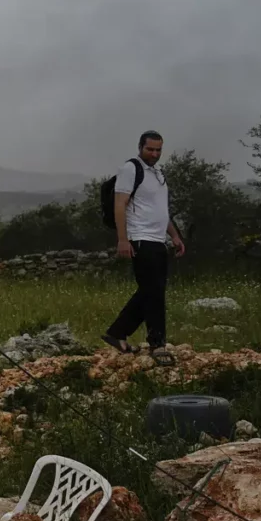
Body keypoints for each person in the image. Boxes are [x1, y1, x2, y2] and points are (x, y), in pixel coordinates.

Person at [103, 132, 186, 356]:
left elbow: (160, 210)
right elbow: (120, 205)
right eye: (150, 149)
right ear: (140, 147)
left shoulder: (158, 173)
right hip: (140, 238)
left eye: (158, 150)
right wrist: (123, 239)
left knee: (152, 290)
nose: (154, 154)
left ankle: (117, 333)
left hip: (158, 239)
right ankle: (157, 344)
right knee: (154, 293)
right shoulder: (131, 169)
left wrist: (175, 236)